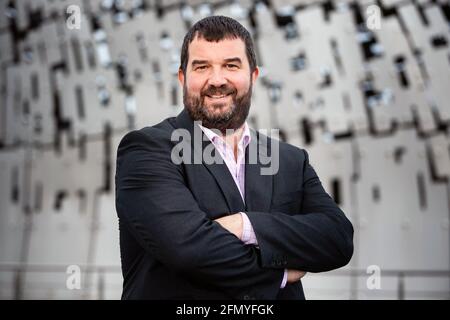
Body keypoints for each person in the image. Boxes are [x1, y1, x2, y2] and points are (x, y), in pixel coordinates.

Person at [115, 15, 354, 300]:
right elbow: (187, 248)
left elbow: (337, 238)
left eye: (231, 65)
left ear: (253, 75)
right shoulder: (146, 149)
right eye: (202, 67)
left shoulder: (290, 160)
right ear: (183, 77)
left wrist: (245, 225)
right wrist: (278, 272)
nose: (217, 80)